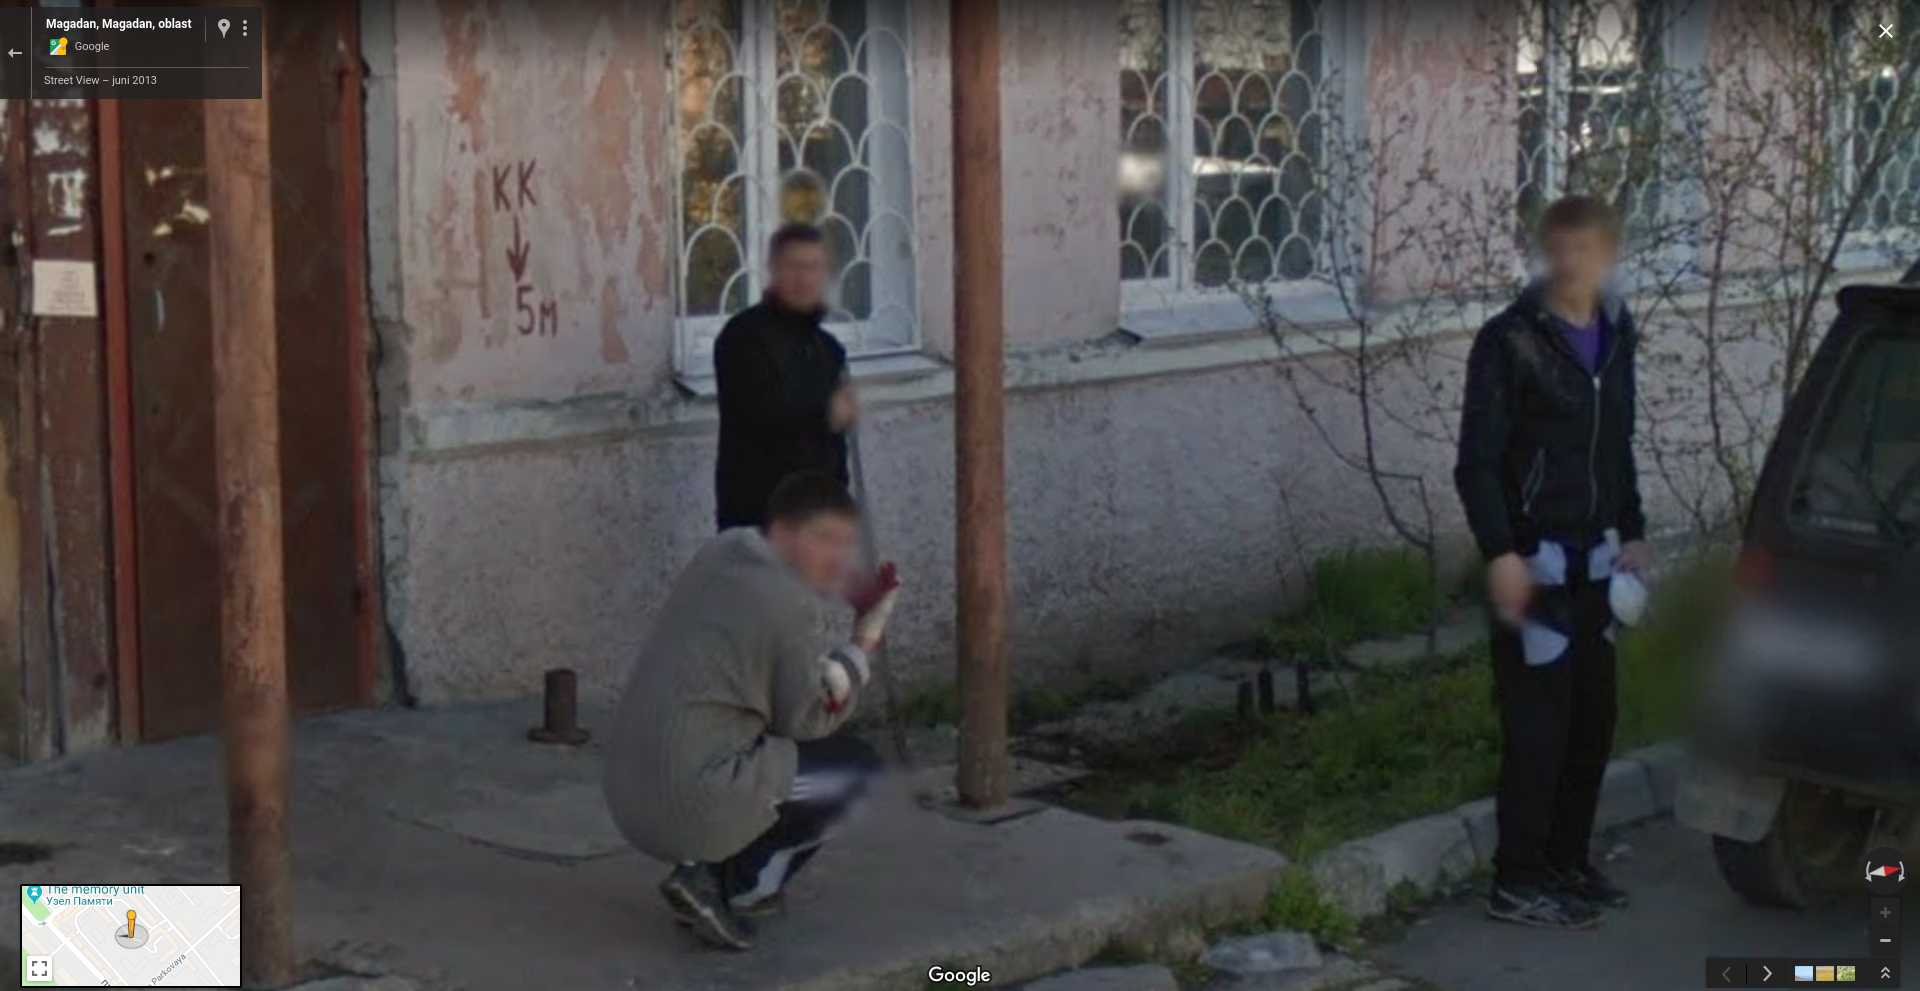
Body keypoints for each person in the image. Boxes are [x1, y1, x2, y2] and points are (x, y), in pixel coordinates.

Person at [1454, 194, 1653, 930]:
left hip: (1598, 561)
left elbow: (1618, 445)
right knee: (1538, 727)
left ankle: (1568, 862)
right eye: (1560, 250)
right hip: (1533, 563)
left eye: (1587, 250)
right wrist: (1500, 553)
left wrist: (1634, 530)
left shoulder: (1617, 332)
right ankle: (1518, 880)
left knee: (1592, 721)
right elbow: (1476, 463)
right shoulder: (1510, 341)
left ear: (1609, 255)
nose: (1572, 264)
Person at [602, 472, 900, 951]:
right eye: (823, 539)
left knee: (763, 747)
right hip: (686, 799)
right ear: (782, 530)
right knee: (856, 773)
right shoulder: (789, 602)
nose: (836, 558)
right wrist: (862, 642)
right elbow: (808, 722)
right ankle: (734, 887)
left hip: (627, 791)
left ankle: (705, 867)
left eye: (845, 544)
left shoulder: (724, 549)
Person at [713, 223, 861, 531]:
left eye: (813, 267)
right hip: (759, 521)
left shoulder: (829, 349)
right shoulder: (743, 336)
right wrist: (827, 410)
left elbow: (836, 453)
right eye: (794, 266)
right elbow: (762, 412)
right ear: (774, 269)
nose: (804, 278)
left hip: (819, 526)